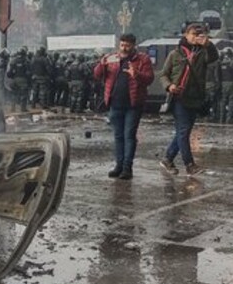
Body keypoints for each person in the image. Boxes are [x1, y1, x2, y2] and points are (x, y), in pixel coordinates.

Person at [159, 23, 219, 176]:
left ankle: (168, 158)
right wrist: (170, 86)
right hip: (179, 98)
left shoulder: (203, 52)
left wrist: (209, 45)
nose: (196, 37)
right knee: (184, 132)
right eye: (193, 34)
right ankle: (190, 165)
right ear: (186, 35)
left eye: (199, 34)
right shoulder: (175, 54)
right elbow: (163, 74)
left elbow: (213, 58)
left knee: (182, 132)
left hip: (196, 98)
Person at [93, 33, 154, 179]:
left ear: (133, 45)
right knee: (118, 136)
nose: (124, 48)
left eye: (127, 45)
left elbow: (149, 79)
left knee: (129, 135)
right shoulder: (112, 58)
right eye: (122, 45)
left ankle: (127, 168)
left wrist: (136, 74)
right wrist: (102, 63)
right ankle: (119, 165)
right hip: (115, 103)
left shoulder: (142, 59)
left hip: (133, 104)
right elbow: (97, 75)